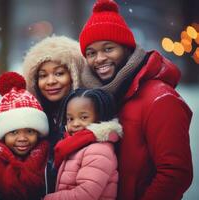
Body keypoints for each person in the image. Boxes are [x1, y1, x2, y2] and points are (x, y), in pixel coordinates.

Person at [79, 0, 193, 200]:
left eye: (108, 49)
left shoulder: (160, 98)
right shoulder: (101, 98)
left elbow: (175, 174)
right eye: (91, 53)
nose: (99, 59)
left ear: (126, 49)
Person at [0, 72, 49, 200]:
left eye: (29, 131)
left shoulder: (49, 164)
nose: (22, 138)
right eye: (14, 132)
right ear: (3, 135)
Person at [22, 35, 86, 193]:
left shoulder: (88, 117)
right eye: (43, 75)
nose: (50, 81)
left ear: (74, 76)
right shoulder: (32, 119)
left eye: (59, 73)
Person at [43, 88, 123, 200]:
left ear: (100, 117)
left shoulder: (99, 150)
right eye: (70, 118)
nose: (75, 124)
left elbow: (85, 195)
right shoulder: (74, 145)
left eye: (84, 117)